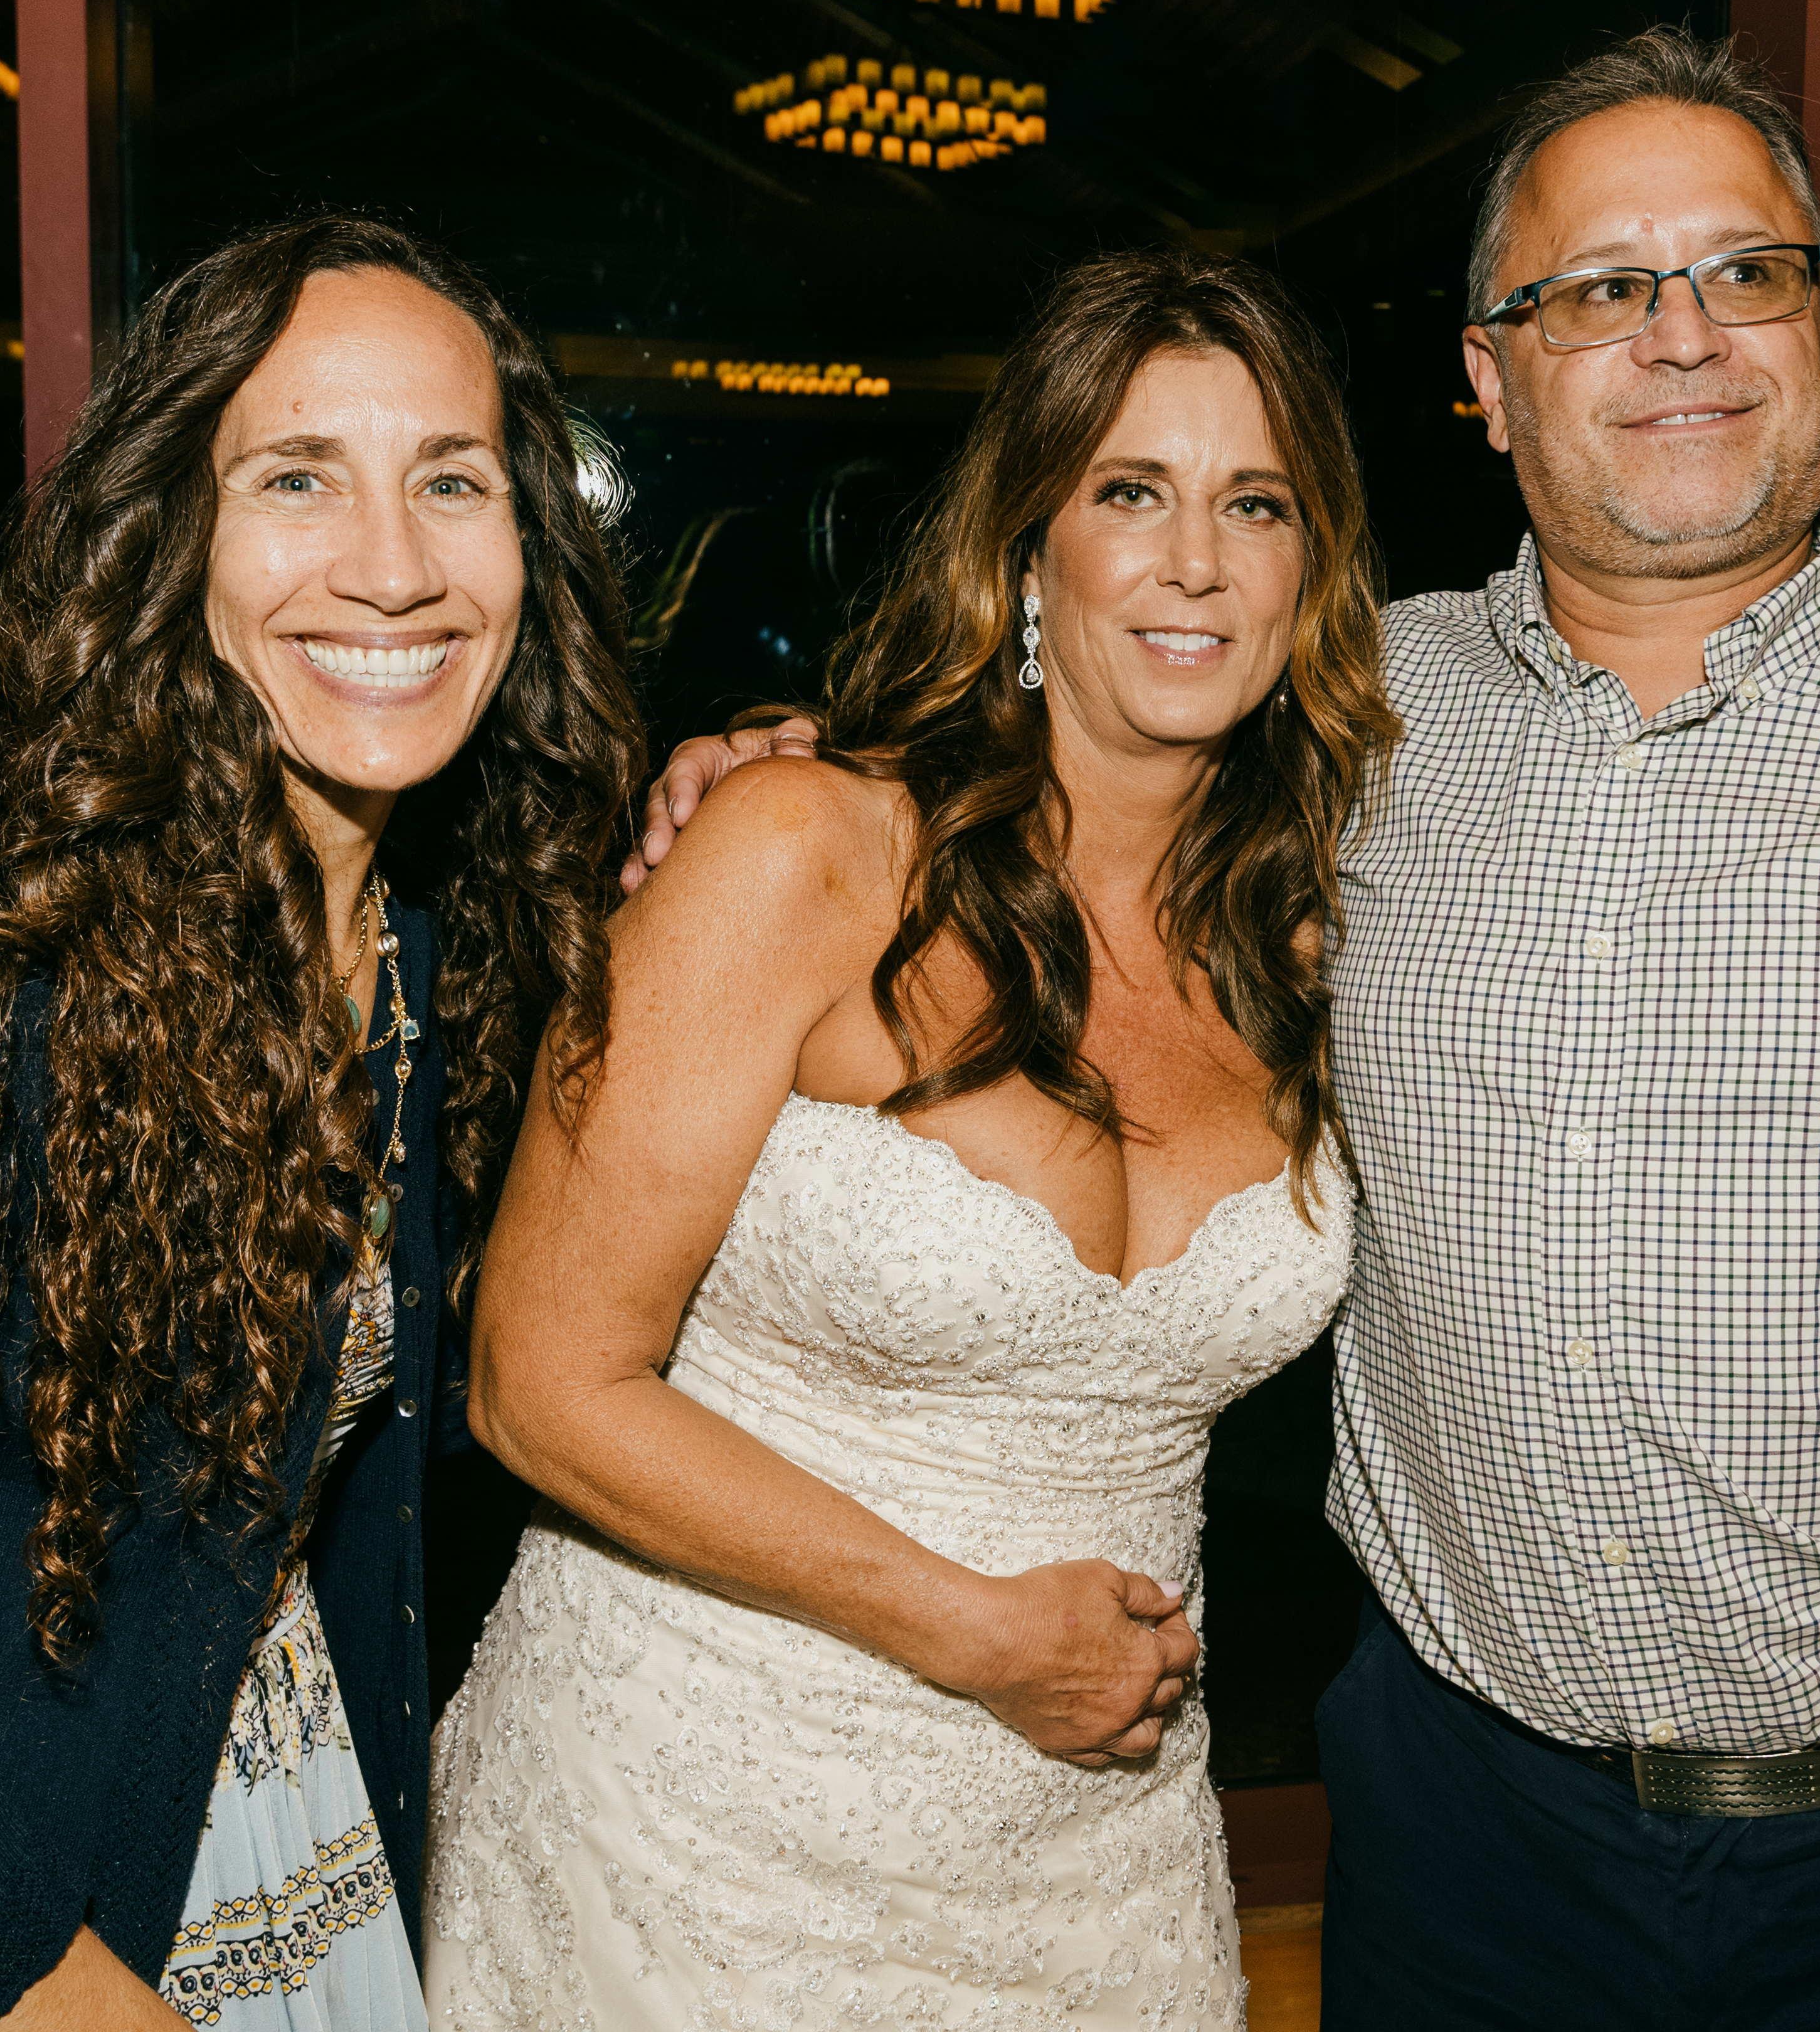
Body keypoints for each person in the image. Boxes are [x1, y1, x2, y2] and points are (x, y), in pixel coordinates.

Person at [645, 28, 1820, 2029]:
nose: (1684, 336)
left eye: (1748, 271)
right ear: (1487, 375)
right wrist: (768, 778)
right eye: (1600, 291)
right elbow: (1046, 813)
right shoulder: (1347, 729)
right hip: (1467, 1846)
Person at [421, 249, 1399, 2027]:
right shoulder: (803, 852)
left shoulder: (1325, 942)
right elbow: (534, 1380)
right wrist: (968, 1630)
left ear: (1310, 569)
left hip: (1095, 1857)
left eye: (1254, 504)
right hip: (686, 1830)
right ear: (1031, 543)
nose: (1194, 560)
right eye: (1131, 492)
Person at [0, 216, 643, 2032]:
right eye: (299, 476)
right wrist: (35, 1975)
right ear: (170, 538)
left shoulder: (426, 947)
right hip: (9, 1904)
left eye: (450, 482)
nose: (393, 570)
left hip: (276, 1818)